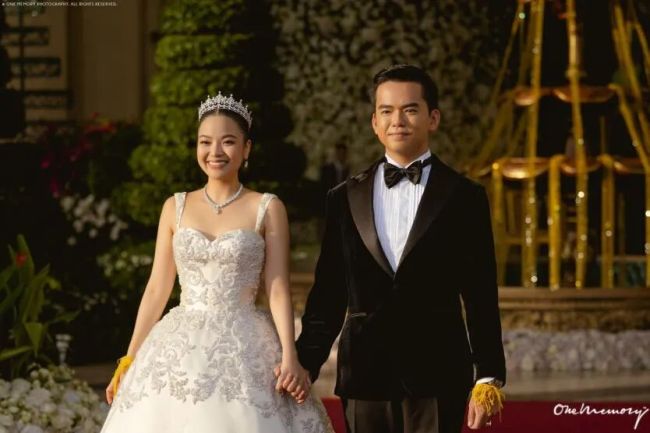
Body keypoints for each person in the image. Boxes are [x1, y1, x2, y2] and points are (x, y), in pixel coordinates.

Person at [289, 65, 507, 433]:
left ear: (433, 118)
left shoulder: (465, 197)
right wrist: (304, 363)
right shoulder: (344, 197)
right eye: (387, 111)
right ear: (374, 122)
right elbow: (328, 292)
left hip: (438, 373)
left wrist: (487, 375)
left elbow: (481, 292)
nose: (398, 121)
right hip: (364, 375)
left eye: (410, 110)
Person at [100, 92, 333, 433]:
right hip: (178, 347)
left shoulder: (268, 207)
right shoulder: (174, 206)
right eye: (205, 142)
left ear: (246, 149)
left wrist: (289, 355)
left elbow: (277, 288)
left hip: (245, 343)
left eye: (228, 142)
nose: (215, 151)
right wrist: (130, 357)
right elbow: (157, 289)